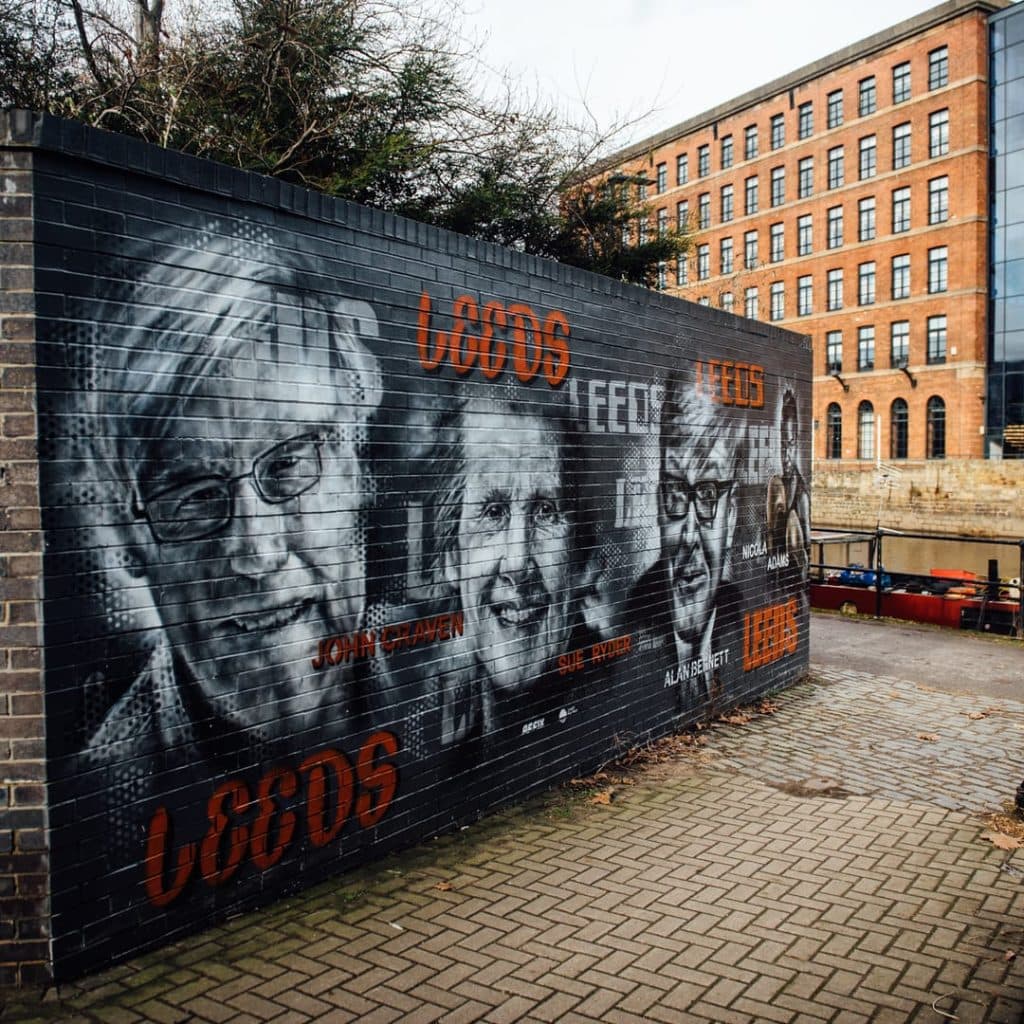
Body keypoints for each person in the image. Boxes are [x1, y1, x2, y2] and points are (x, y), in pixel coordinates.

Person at [83, 230, 383, 780]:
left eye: (290, 464)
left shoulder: (445, 674)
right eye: (195, 497)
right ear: (129, 540)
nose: (257, 550)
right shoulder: (103, 810)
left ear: (356, 471)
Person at [427, 394, 597, 751]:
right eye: (492, 513)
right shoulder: (430, 711)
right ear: (451, 559)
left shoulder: (608, 688)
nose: (517, 563)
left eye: (546, 511)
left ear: (581, 561)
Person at [628, 372, 743, 714]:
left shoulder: (738, 617)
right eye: (676, 492)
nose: (690, 536)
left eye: (708, 494)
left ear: (732, 515)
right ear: (659, 503)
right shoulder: (630, 628)